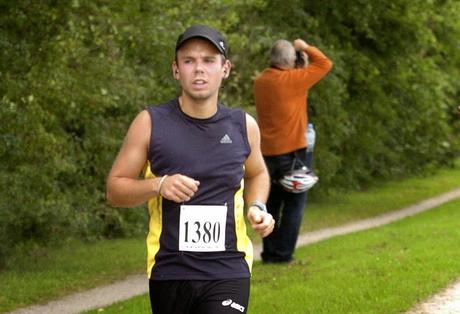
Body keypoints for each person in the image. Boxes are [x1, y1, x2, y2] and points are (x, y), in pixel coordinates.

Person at [106, 25, 274, 314]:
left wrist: (257, 205)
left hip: (228, 269)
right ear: (176, 69)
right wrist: (158, 185)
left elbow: (257, 172)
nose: (199, 69)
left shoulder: (243, 126)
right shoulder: (150, 123)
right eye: (189, 61)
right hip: (171, 270)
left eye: (209, 61)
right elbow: (115, 189)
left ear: (225, 69)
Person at [253, 38, 333, 263]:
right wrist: (304, 46)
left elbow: (289, 86)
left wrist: (298, 63)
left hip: (268, 153)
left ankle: (269, 253)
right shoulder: (293, 80)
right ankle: (283, 255)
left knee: (272, 204)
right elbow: (325, 63)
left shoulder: (261, 81)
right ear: (290, 61)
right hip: (294, 153)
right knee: (294, 205)